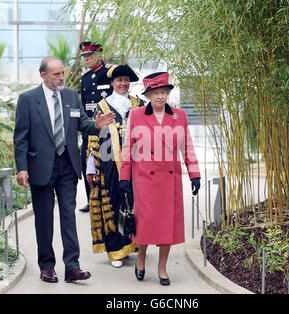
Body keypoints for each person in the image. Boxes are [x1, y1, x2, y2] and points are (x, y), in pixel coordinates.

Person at [13, 56, 115, 283]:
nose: (61, 78)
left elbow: (83, 124)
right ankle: (47, 266)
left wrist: (96, 125)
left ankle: (72, 266)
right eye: (56, 74)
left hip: (67, 166)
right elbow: (20, 138)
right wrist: (22, 168)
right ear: (43, 75)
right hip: (40, 167)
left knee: (68, 216)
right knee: (44, 219)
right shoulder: (28, 99)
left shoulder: (70, 96)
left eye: (62, 73)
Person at [119, 72, 201, 286]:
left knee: (167, 226)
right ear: (148, 95)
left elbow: (188, 147)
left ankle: (162, 267)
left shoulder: (179, 116)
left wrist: (195, 175)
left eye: (164, 92)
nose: (160, 97)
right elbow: (127, 149)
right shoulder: (136, 115)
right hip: (144, 179)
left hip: (169, 179)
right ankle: (142, 258)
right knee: (146, 224)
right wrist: (124, 178)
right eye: (156, 93)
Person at [86, 64, 143, 268]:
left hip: (137, 164)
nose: (123, 83)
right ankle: (116, 251)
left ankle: (133, 244)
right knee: (113, 202)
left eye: (126, 80)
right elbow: (93, 137)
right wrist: (91, 168)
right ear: (111, 83)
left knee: (134, 203)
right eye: (119, 80)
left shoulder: (139, 104)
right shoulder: (102, 107)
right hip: (109, 165)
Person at [78, 41, 113, 213]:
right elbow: (84, 106)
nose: (86, 59)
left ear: (99, 55)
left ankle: (108, 197)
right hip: (89, 127)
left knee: (105, 163)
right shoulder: (85, 79)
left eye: (90, 55)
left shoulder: (109, 74)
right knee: (87, 162)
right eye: (84, 56)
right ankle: (90, 199)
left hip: (106, 127)